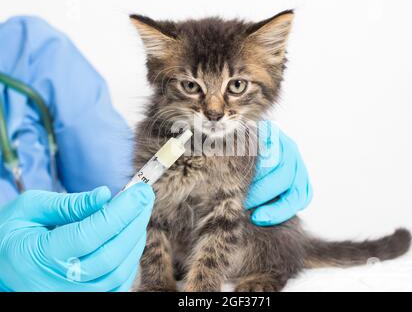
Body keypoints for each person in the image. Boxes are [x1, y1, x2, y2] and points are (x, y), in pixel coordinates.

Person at [0, 16, 312, 291]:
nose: (215, 110)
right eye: (192, 86)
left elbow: (114, 185)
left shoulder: (32, 50)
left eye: (237, 85)